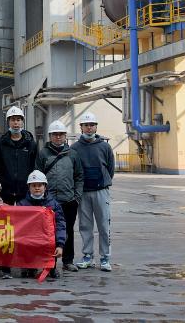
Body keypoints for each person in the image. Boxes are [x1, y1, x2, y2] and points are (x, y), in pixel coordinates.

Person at [37, 119, 83, 276]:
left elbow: (79, 176)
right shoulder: (43, 154)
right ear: (50, 136)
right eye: (55, 134)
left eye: (61, 134)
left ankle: (68, 261)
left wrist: (77, 197)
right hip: (49, 201)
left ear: (65, 136)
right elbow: (37, 176)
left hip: (68, 200)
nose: (58, 137)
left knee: (68, 230)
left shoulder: (73, 154)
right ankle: (50, 262)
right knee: (48, 232)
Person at [71, 112, 115, 272]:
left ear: (96, 127)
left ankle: (105, 258)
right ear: (81, 127)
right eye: (86, 125)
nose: (89, 128)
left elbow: (110, 169)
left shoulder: (105, 147)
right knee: (85, 225)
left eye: (92, 125)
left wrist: (102, 181)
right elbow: (74, 169)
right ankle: (88, 256)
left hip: (101, 191)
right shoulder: (75, 148)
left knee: (103, 225)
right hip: (83, 192)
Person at [18, 170, 66, 279]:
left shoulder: (54, 204)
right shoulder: (22, 205)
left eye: (40, 185)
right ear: (29, 187)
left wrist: (60, 245)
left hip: (47, 238)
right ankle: (29, 266)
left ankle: (51, 267)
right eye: (34, 185)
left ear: (45, 187)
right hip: (30, 238)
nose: (37, 188)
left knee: (53, 238)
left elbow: (60, 224)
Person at [0, 106, 38, 204]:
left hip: (25, 191)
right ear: (8, 122)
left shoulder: (31, 144)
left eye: (18, 120)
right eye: (13, 120)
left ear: (22, 122)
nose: (16, 123)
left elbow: (34, 167)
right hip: (4, 191)